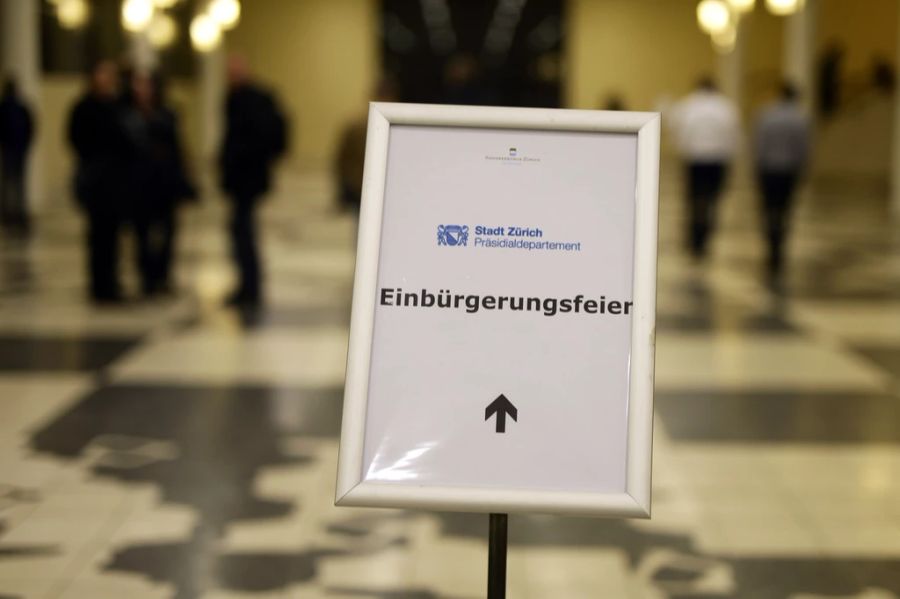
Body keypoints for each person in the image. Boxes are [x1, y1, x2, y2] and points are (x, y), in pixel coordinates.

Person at [219, 55, 287, 308]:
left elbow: (264, 138)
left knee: (244, 232)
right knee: (239, 231)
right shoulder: (233, 98)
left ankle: (250, 287)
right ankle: (247, 285)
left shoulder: (255, 100)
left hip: (248, 178)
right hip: (240, 179)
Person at [121, 70, 195, 297]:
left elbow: (178, 149)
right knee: (142, 234)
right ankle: (147, 277)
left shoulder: (167, 115)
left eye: (147, 85)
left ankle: (162, 275)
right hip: (139, 184)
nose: (143, 91)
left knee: (167, 232)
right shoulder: (127, 116)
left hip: (164, 183)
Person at [68, 60, 129, 303]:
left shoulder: (117, 106)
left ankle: (112, 281)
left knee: (114, 235)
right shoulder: (84, 107)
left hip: (115, 181)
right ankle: (99, 284)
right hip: (96, 181)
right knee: (97, 235)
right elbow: (75, 138)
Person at [671, 77, 740, 259]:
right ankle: (705, 235)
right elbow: (733, 133)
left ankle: (695, 236)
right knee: (712, 198)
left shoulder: (689, 104)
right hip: (717, 159)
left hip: (695, 159)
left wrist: (682, 150)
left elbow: (679, 130)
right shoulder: (725, 107)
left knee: (695, 199)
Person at [754, 82, 811, 280]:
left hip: (768, 169)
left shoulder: (767, 115)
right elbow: (803, 148)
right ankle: (779, 244)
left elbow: (759, 143)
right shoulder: (799, 118)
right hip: (788, 171)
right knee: (784, 209)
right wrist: (803, 169)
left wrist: (757, 167)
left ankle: (772, 241)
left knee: (769, 208)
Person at [0, 77, 35, 235]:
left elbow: (30, 127)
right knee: (15, 184)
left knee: (13, 183)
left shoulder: (18, 108)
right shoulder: (17, 107)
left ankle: (14, 214)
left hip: (15, 150)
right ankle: (13, 214)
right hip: (14, 150)